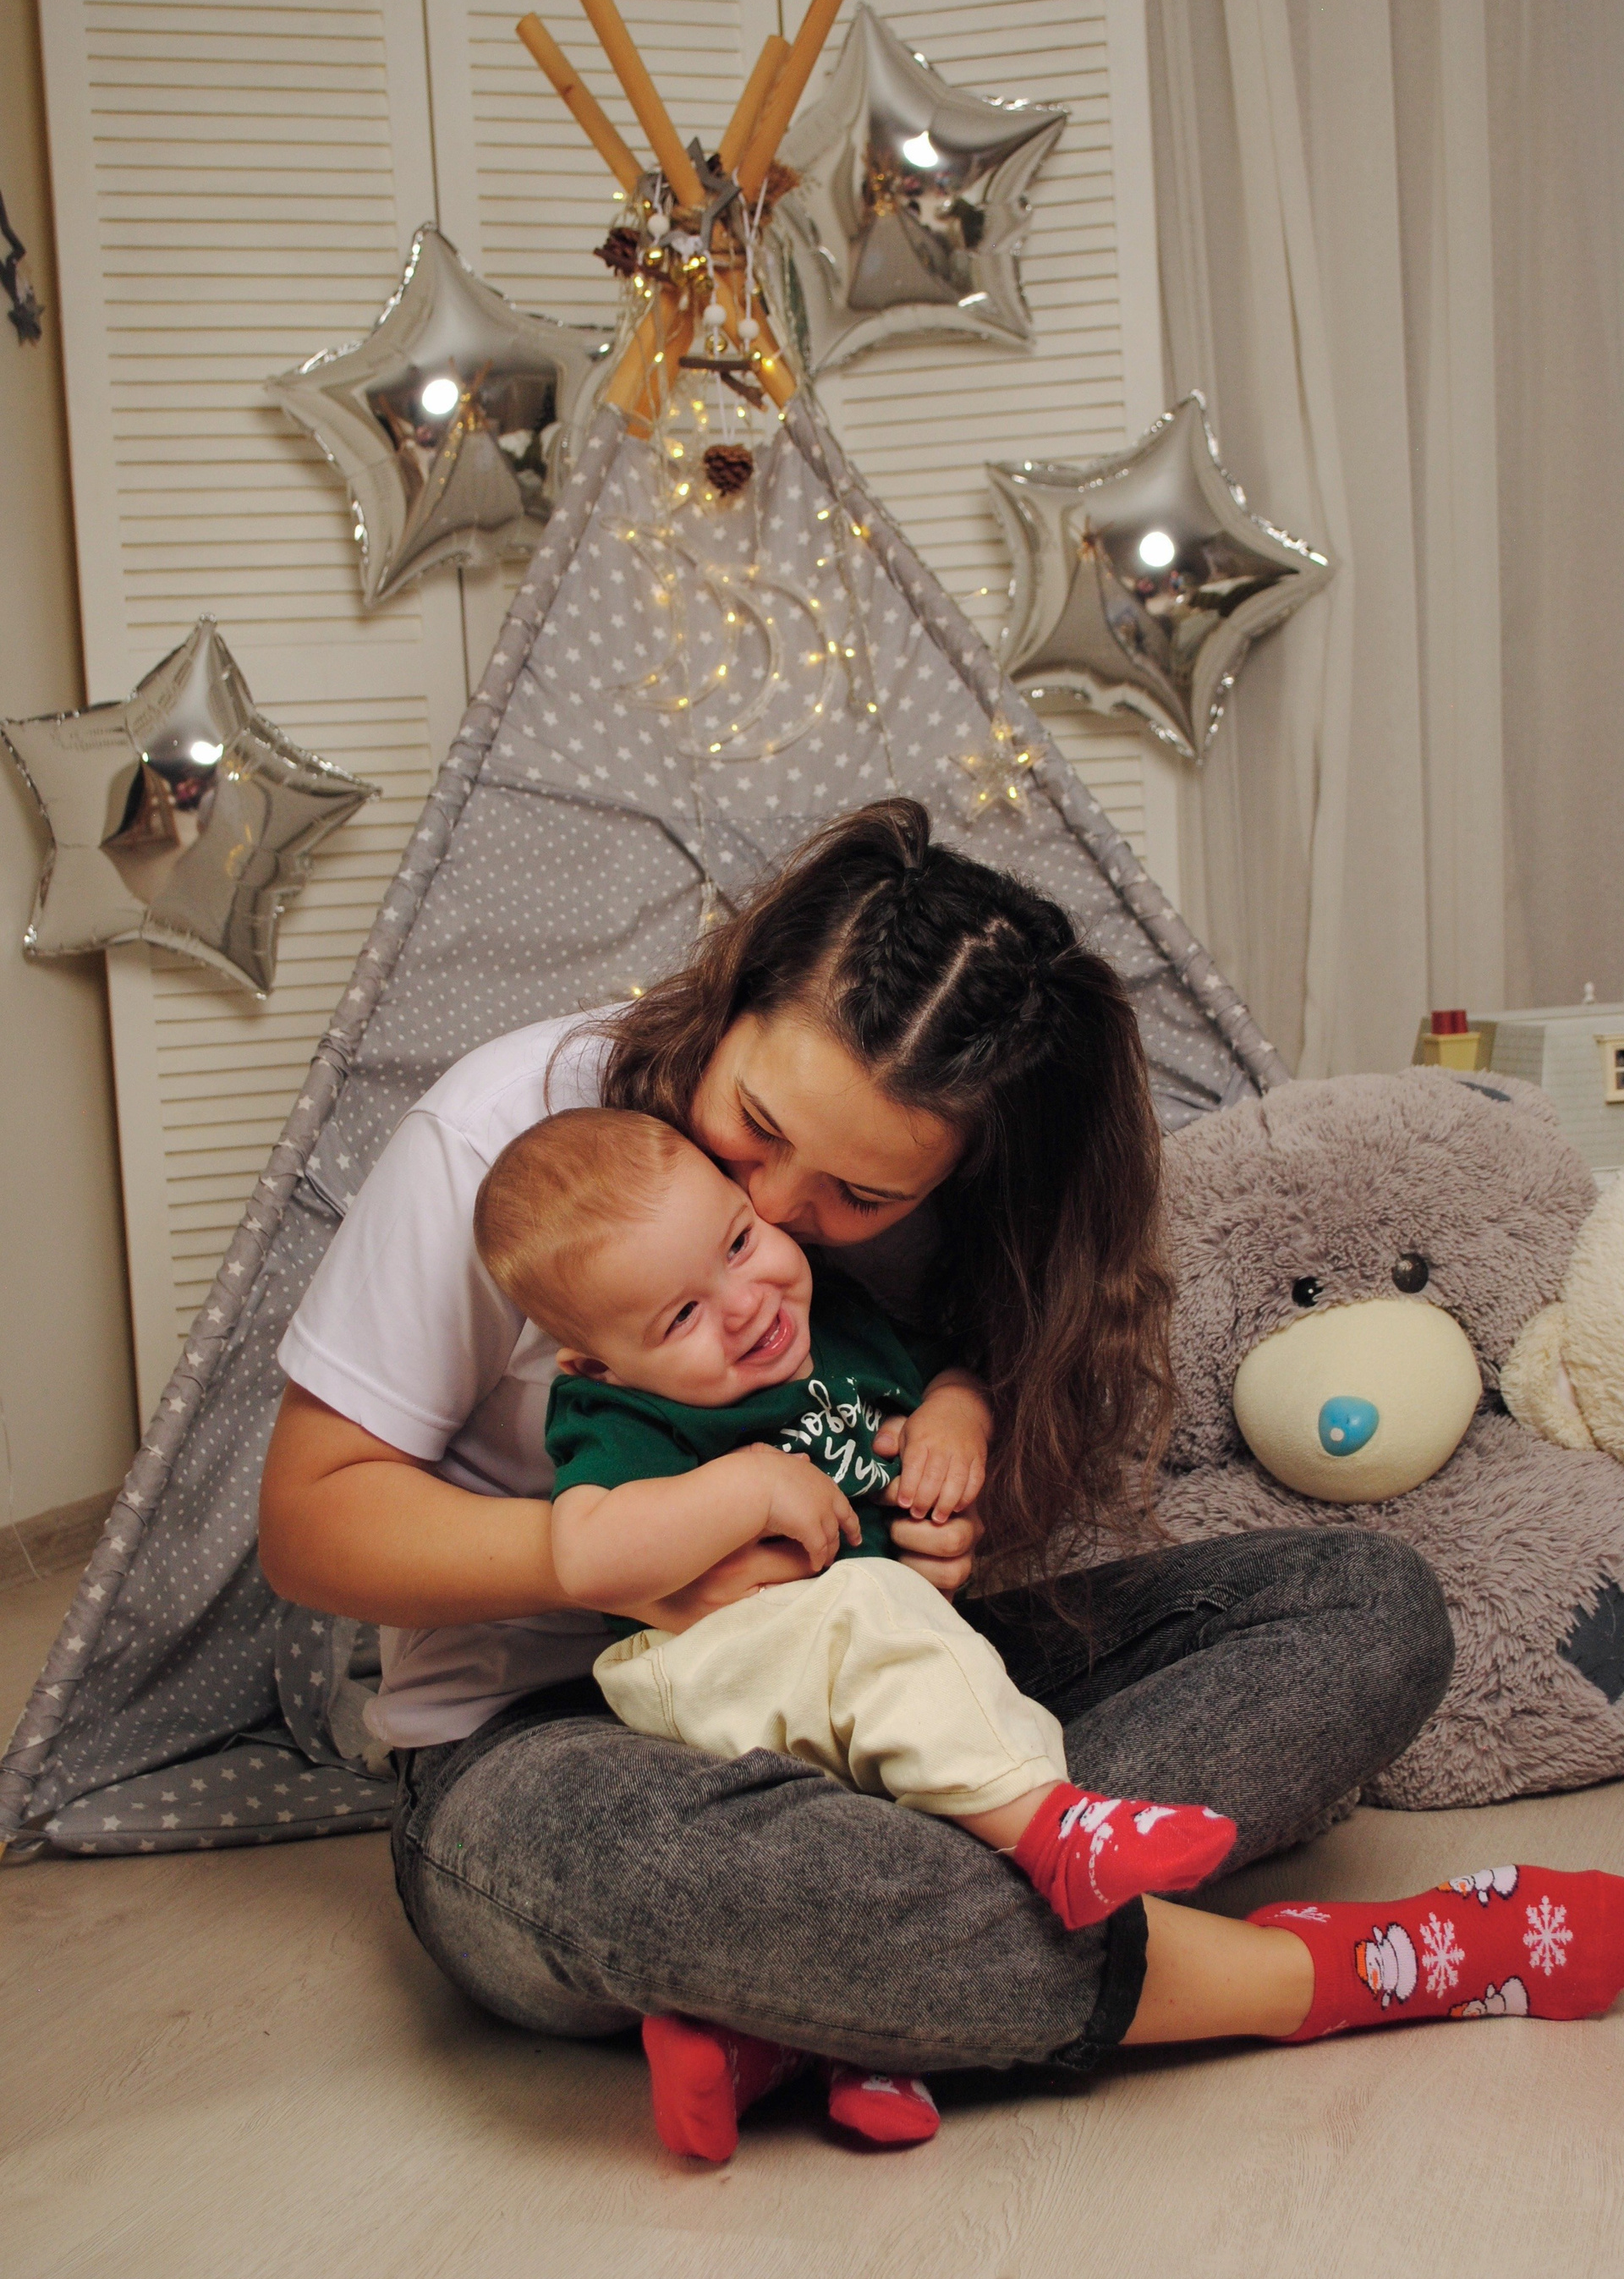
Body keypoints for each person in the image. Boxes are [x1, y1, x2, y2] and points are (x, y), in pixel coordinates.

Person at [259, 799, 1621, 2166]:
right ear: (734, 996)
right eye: (755, 1127)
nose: (777, 1217)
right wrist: (608, 1560)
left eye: (860, 1197)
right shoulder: (509, 1142)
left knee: (1369, 1605)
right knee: (656, 1869)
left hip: (896, 1686)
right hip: (551, 1739)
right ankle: (1330, 1971)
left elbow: (919, 1421)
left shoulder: (936, 1215)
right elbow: (310, 1522)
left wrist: (952, 1504)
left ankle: (829, 1996)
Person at [473, 1106, 1238, 2151]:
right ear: (595, 1363)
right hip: (717, 1673)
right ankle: (1056, 1834)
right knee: (874, 1606)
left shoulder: (831, 1317)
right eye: (682, 1316)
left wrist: (956, 1417)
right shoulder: (619, 1414)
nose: (746, 1305)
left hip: (849, 1683)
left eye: (738, 1243)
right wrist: (749, 1486)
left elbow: (946, 1373)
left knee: (895, 1807)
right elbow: (586, 1555)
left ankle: (818, 2050)